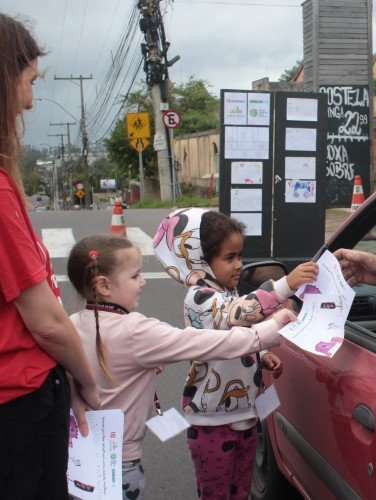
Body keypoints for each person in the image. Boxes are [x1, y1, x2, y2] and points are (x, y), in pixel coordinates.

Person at [67, 235, 297, 499]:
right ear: (103, 285)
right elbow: (209, 343)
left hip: (79, 458)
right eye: (134, 276)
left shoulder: (74, 322)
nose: (142, 283)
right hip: (119, 464)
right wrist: (271, 327)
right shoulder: (135, 329)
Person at [0, 13, 100, 499]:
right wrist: (87, 379)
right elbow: (47, 323)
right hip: (19, 402)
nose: (30, 100)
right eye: (28, 82)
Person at [153, 208, 318, 499]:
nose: (239, 265)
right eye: (229, 258)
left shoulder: (225, 292)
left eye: (240, 256)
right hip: (211, 422)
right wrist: (285, 285)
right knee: (216, 494)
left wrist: (261, 353)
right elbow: (237, 315)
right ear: (200, 260)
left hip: (244, 414)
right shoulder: (201, 298)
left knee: (240, 491)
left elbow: (239, 337)